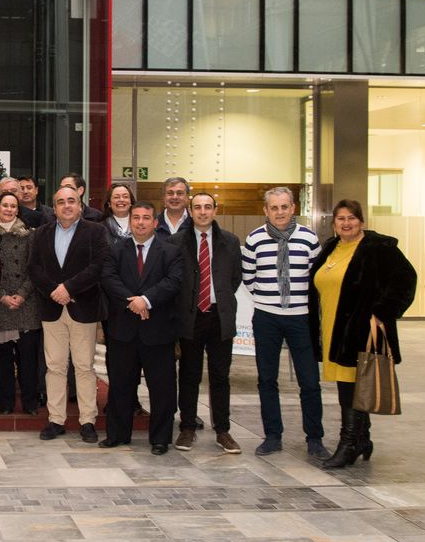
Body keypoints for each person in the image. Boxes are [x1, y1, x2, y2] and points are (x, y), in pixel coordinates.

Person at [310, 199, 416, 468]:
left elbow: (406, 280)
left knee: (350, 386)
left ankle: (349, 444)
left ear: (362, 221)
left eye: (352, 218)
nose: (346, 223)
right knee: (348, 384)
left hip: (360, 330)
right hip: (333, 327)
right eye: (341, 218)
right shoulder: (332, 247)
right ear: (333, 223)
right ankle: (363, 439)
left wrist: (381, 312)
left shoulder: (378, 248)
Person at [242, 186, 328, 459]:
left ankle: (314, 438)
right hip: (266, 318)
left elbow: (317, 278)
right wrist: (271, 300)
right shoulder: (254, 239)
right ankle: (272, 436)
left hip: (301, 318)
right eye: (274, 207)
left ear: (293, 208)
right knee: (267, 380)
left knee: (310, 381)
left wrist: (293, 302)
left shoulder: (309, 239)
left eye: (284, 207)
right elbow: (248, 278)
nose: (279, 212)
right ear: (266, 210)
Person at [27, 185, 110, 443]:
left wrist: (68, 288)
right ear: (55, 206)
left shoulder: (95, 231)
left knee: (84, 366)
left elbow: (99, 265)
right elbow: (34, 268)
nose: (66, 206)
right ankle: (56, 420)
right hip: (52, 308)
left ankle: (87, 421)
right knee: (54, 367)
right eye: (61, 201)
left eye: (71, 201)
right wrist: (55, 291)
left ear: (80, 204)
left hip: (82, 306)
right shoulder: (41, 233)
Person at [100, 201, 183, 454]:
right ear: (130, 221)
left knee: (162, 388)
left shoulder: (170, 251)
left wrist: (145, 300)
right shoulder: (116, 249)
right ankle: (118, 434)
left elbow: (174, 281)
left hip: (158, 331)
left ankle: (160, 439)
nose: (140, 222)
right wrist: (132, 302)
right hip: (122, 330)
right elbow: (108, 277)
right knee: (120, 385)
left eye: (146, 218)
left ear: (155, 223)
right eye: (135, 218)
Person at [169, 192, 242, 454]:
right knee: (189, 375)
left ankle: (223, 430)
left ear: (215, 210)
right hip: (190, 318)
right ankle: (187, 427)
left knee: (220, 376)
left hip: (219, 317)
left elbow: (234, 279)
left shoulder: (230, 242)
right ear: (191, 210)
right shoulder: (176, 242)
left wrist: (216, 299)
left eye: (207, 207)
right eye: (197, 207)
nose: (202, 212)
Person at [0, 191, 42, 416]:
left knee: (28, 359)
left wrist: (21, 294)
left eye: (13, 206)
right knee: (4, 361)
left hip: (26, 304)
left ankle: (30, 403)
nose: (9, 209)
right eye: (4, 206)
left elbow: (35, 268)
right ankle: (6, 403)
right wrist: (1, 295)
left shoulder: (30, 235)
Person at [101, 182, 148, 419]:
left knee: (140, 355)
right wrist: (125, 296)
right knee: (116, 356)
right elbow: (103, 267)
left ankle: (135, 399)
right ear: (108, 203)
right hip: (115, 302)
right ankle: (117, 399)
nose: (121, 200)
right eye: (116, 197)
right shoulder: (100, 228)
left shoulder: (144, 225)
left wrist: (141, 299)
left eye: (125, 196)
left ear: (131, 200)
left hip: (144, 304)